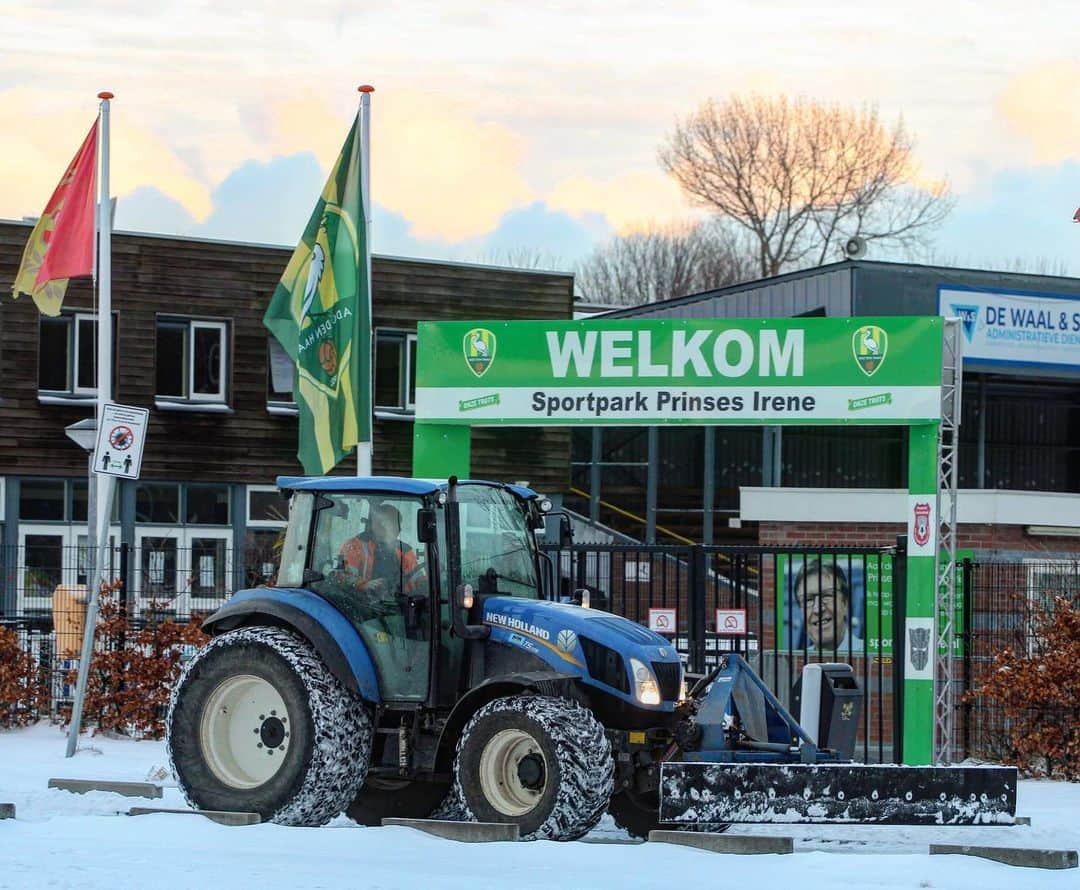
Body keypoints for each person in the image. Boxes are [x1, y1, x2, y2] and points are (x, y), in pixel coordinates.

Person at [338, 503, 425, 602]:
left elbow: (417, 578)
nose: (398, 530)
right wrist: (365, 585)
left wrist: (426, 585)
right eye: (392, 524)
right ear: (376, 524)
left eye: (398, 525)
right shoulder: (354, 545)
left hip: (396, 604)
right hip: (359, 604)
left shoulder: (404, 550)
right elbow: (342, 576)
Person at [792, 559, 865, 653]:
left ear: (845, 603)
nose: (817, 609)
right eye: (808, 600)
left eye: (827, 595)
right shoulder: (794, 662)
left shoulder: (873, 656)